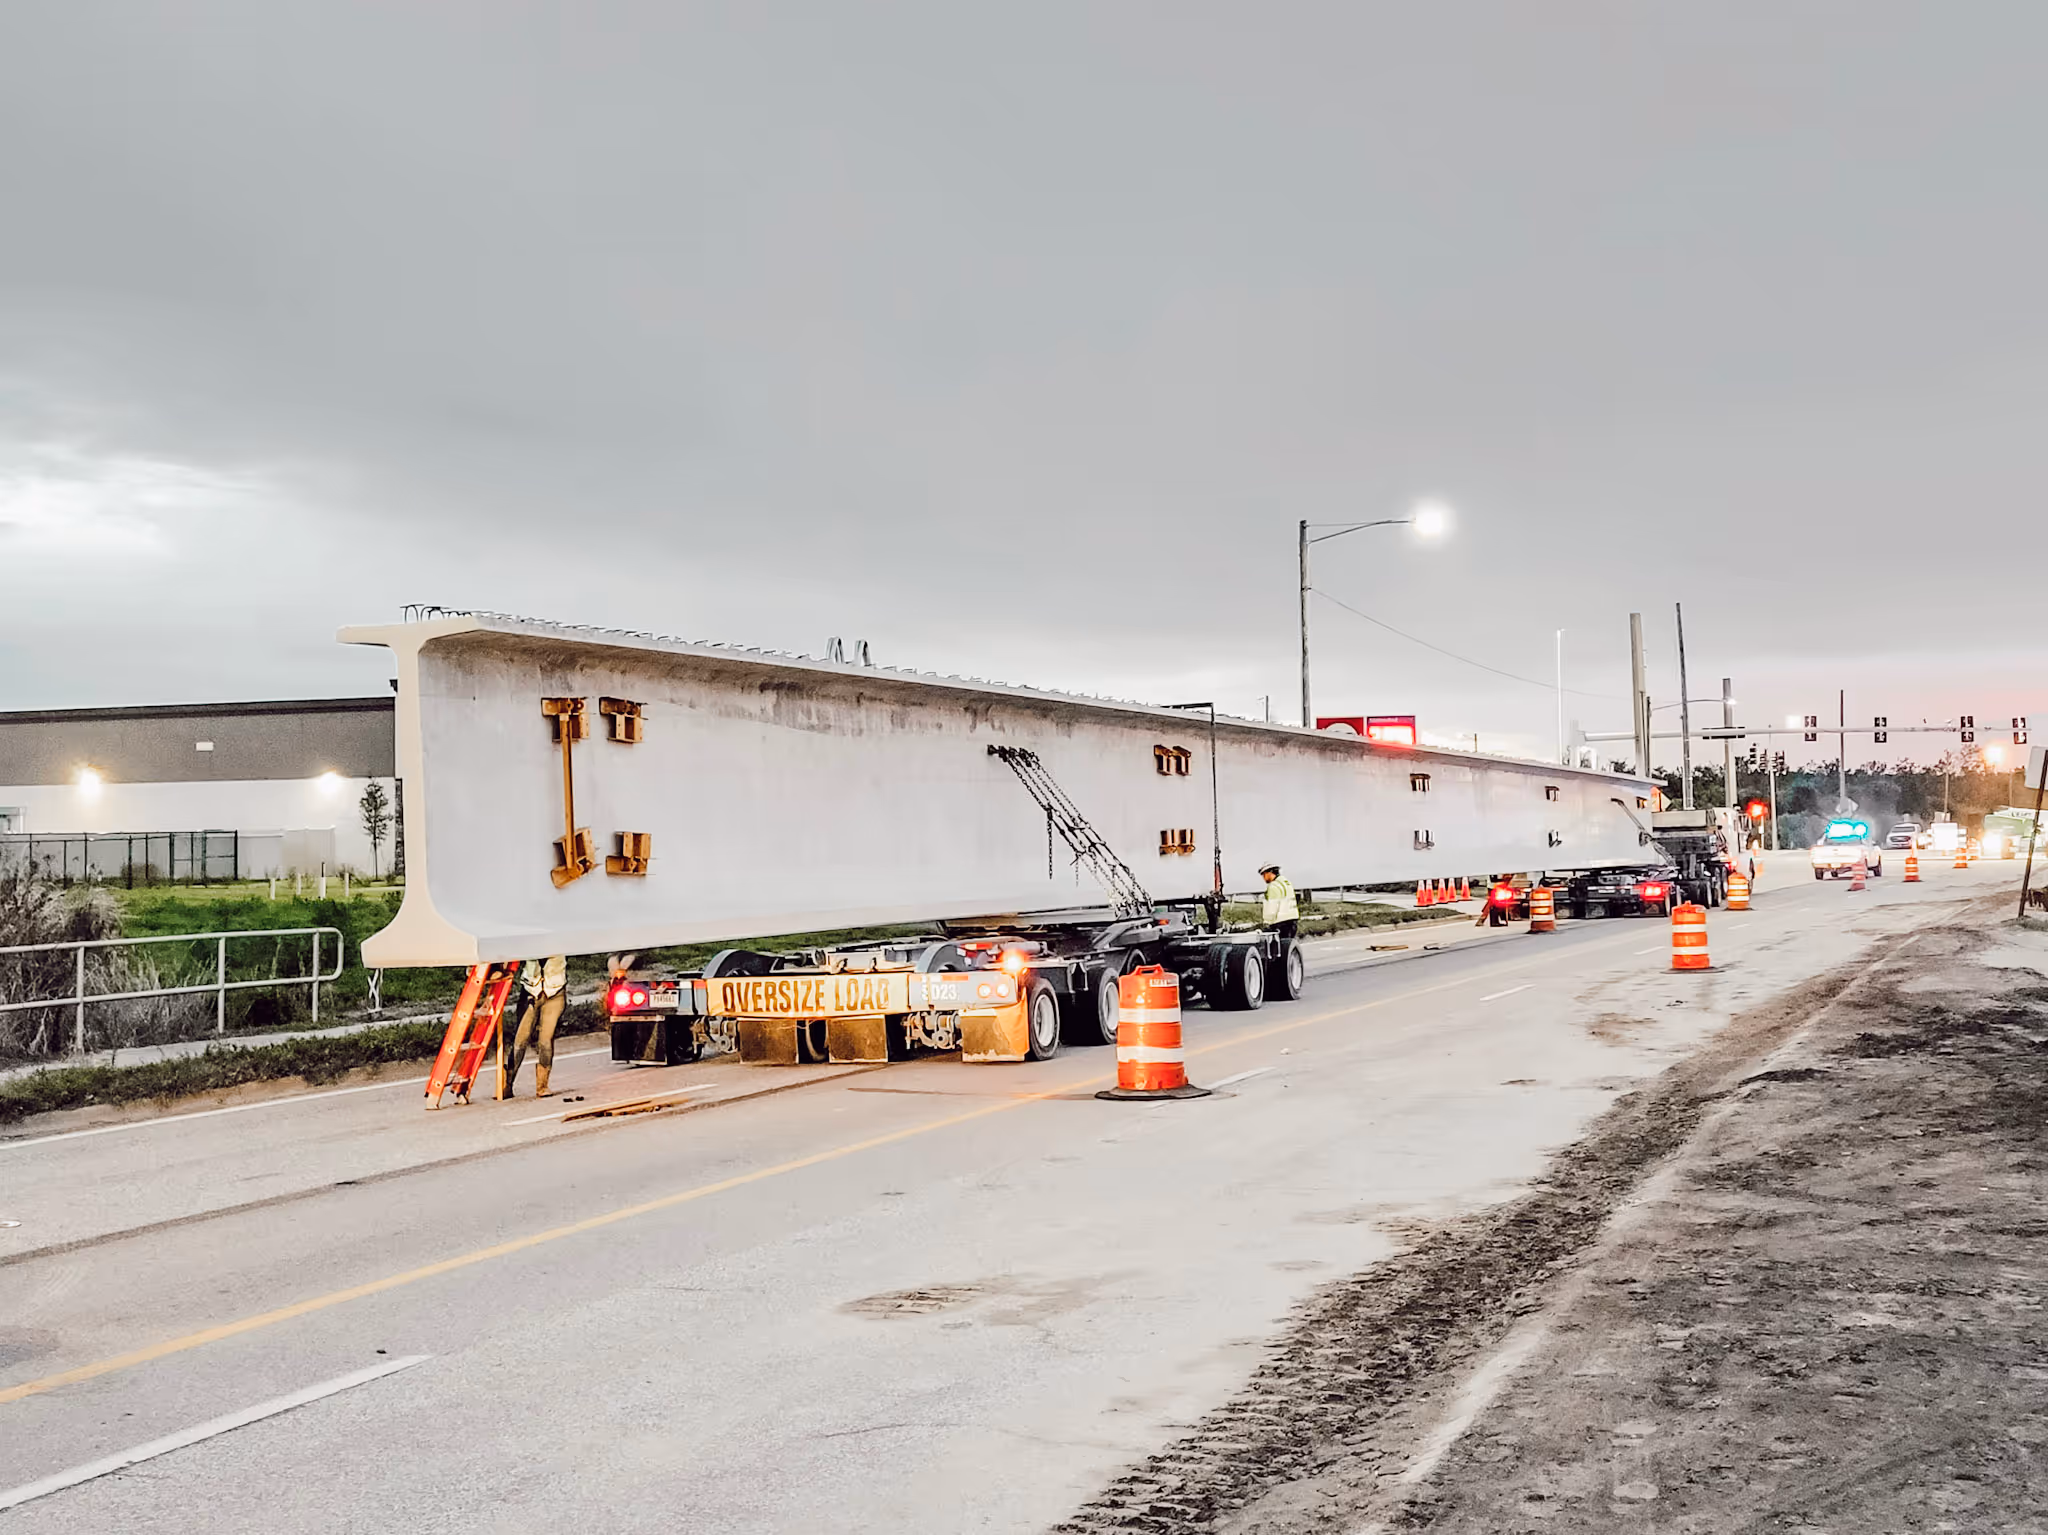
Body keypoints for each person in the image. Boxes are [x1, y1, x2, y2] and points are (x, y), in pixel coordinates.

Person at [500, 953, 566, 1098]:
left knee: (546, 1041)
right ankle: (507, 1084)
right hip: (530, 991)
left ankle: (542, 1086)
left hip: (555, 991)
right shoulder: (529, 937)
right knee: (520, 1040)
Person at [1259, 863, 1298, 945]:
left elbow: (1272, 907)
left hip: (1280, 923)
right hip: (1292, 920)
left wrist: (1267, 922)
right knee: (1288, 947)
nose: (1263, 878)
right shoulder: (1286, 883)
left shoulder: (1273, 886)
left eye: (1264, 875)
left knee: (1276, 949)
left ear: (1270, 873)